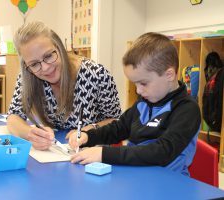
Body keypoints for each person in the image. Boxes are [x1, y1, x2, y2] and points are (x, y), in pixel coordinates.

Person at [68, 32, 201, 175]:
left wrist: (104, 154)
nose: (138, 90)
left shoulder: (187, 109)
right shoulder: (144, 102)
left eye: (143, 83)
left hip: (168, 182)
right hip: (136, 175)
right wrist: (89, 136)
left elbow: (162, 152)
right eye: (135, 84)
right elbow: (119, 128)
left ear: (169, 75)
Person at [7, 21, 121, 150]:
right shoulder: (28, 76)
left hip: (94, 152)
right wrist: (30, 134)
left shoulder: (96, 74)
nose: (45, 68)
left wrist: (89, 130)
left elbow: (116, 121)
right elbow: (13, 117)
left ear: (59, 47)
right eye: (34, 64)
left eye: (49, 56)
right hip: (56, 152)